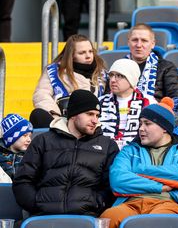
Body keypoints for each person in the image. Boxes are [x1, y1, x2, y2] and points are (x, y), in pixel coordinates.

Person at [13, 89, 119, 219]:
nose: (95, 120)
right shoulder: (43, 141)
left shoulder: (108, 146)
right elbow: (23, 180)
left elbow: (111, 186)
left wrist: (96, 204)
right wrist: (36, 204)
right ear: (74, 114)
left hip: (86, 218)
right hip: (44, 217)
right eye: (90, 114)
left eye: (97, 116)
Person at [100, 97, 178, 228]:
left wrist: (138, 170)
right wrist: (160, 187)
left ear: (164, 127)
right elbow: (117, 180)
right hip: (130, 203)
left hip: (168, 202)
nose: (141, 129)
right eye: (140, 123)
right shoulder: (130, 149)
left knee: (153, 223)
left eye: (147, 124)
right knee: (108, 218)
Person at [30, 34, 108, 128]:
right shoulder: (54, 71)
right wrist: (56, 118)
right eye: (82, 53)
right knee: (37, 115)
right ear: (71, 55)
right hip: (62, 121)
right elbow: (41, 95)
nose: (88, 56)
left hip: (94, 123)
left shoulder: (103, 74)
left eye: (90, 51)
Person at [99, 58, 152, 150]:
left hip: (137, 153)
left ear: (131, 79)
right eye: (111, 75)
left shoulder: (148, 102)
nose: (113, 80)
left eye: (119, 75)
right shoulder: (100, 102)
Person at [126, 23, 178, 101]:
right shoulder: (118, 68)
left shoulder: (166, 68)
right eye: (135, 40)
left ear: (152, 44)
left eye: (144, 40)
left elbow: (177, 99)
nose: (139, 45)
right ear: (128, 43)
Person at [0, 114, 33, 179]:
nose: (29, 140)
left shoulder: (31, 155)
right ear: (11, 137)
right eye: (25, 135)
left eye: (30, 136)